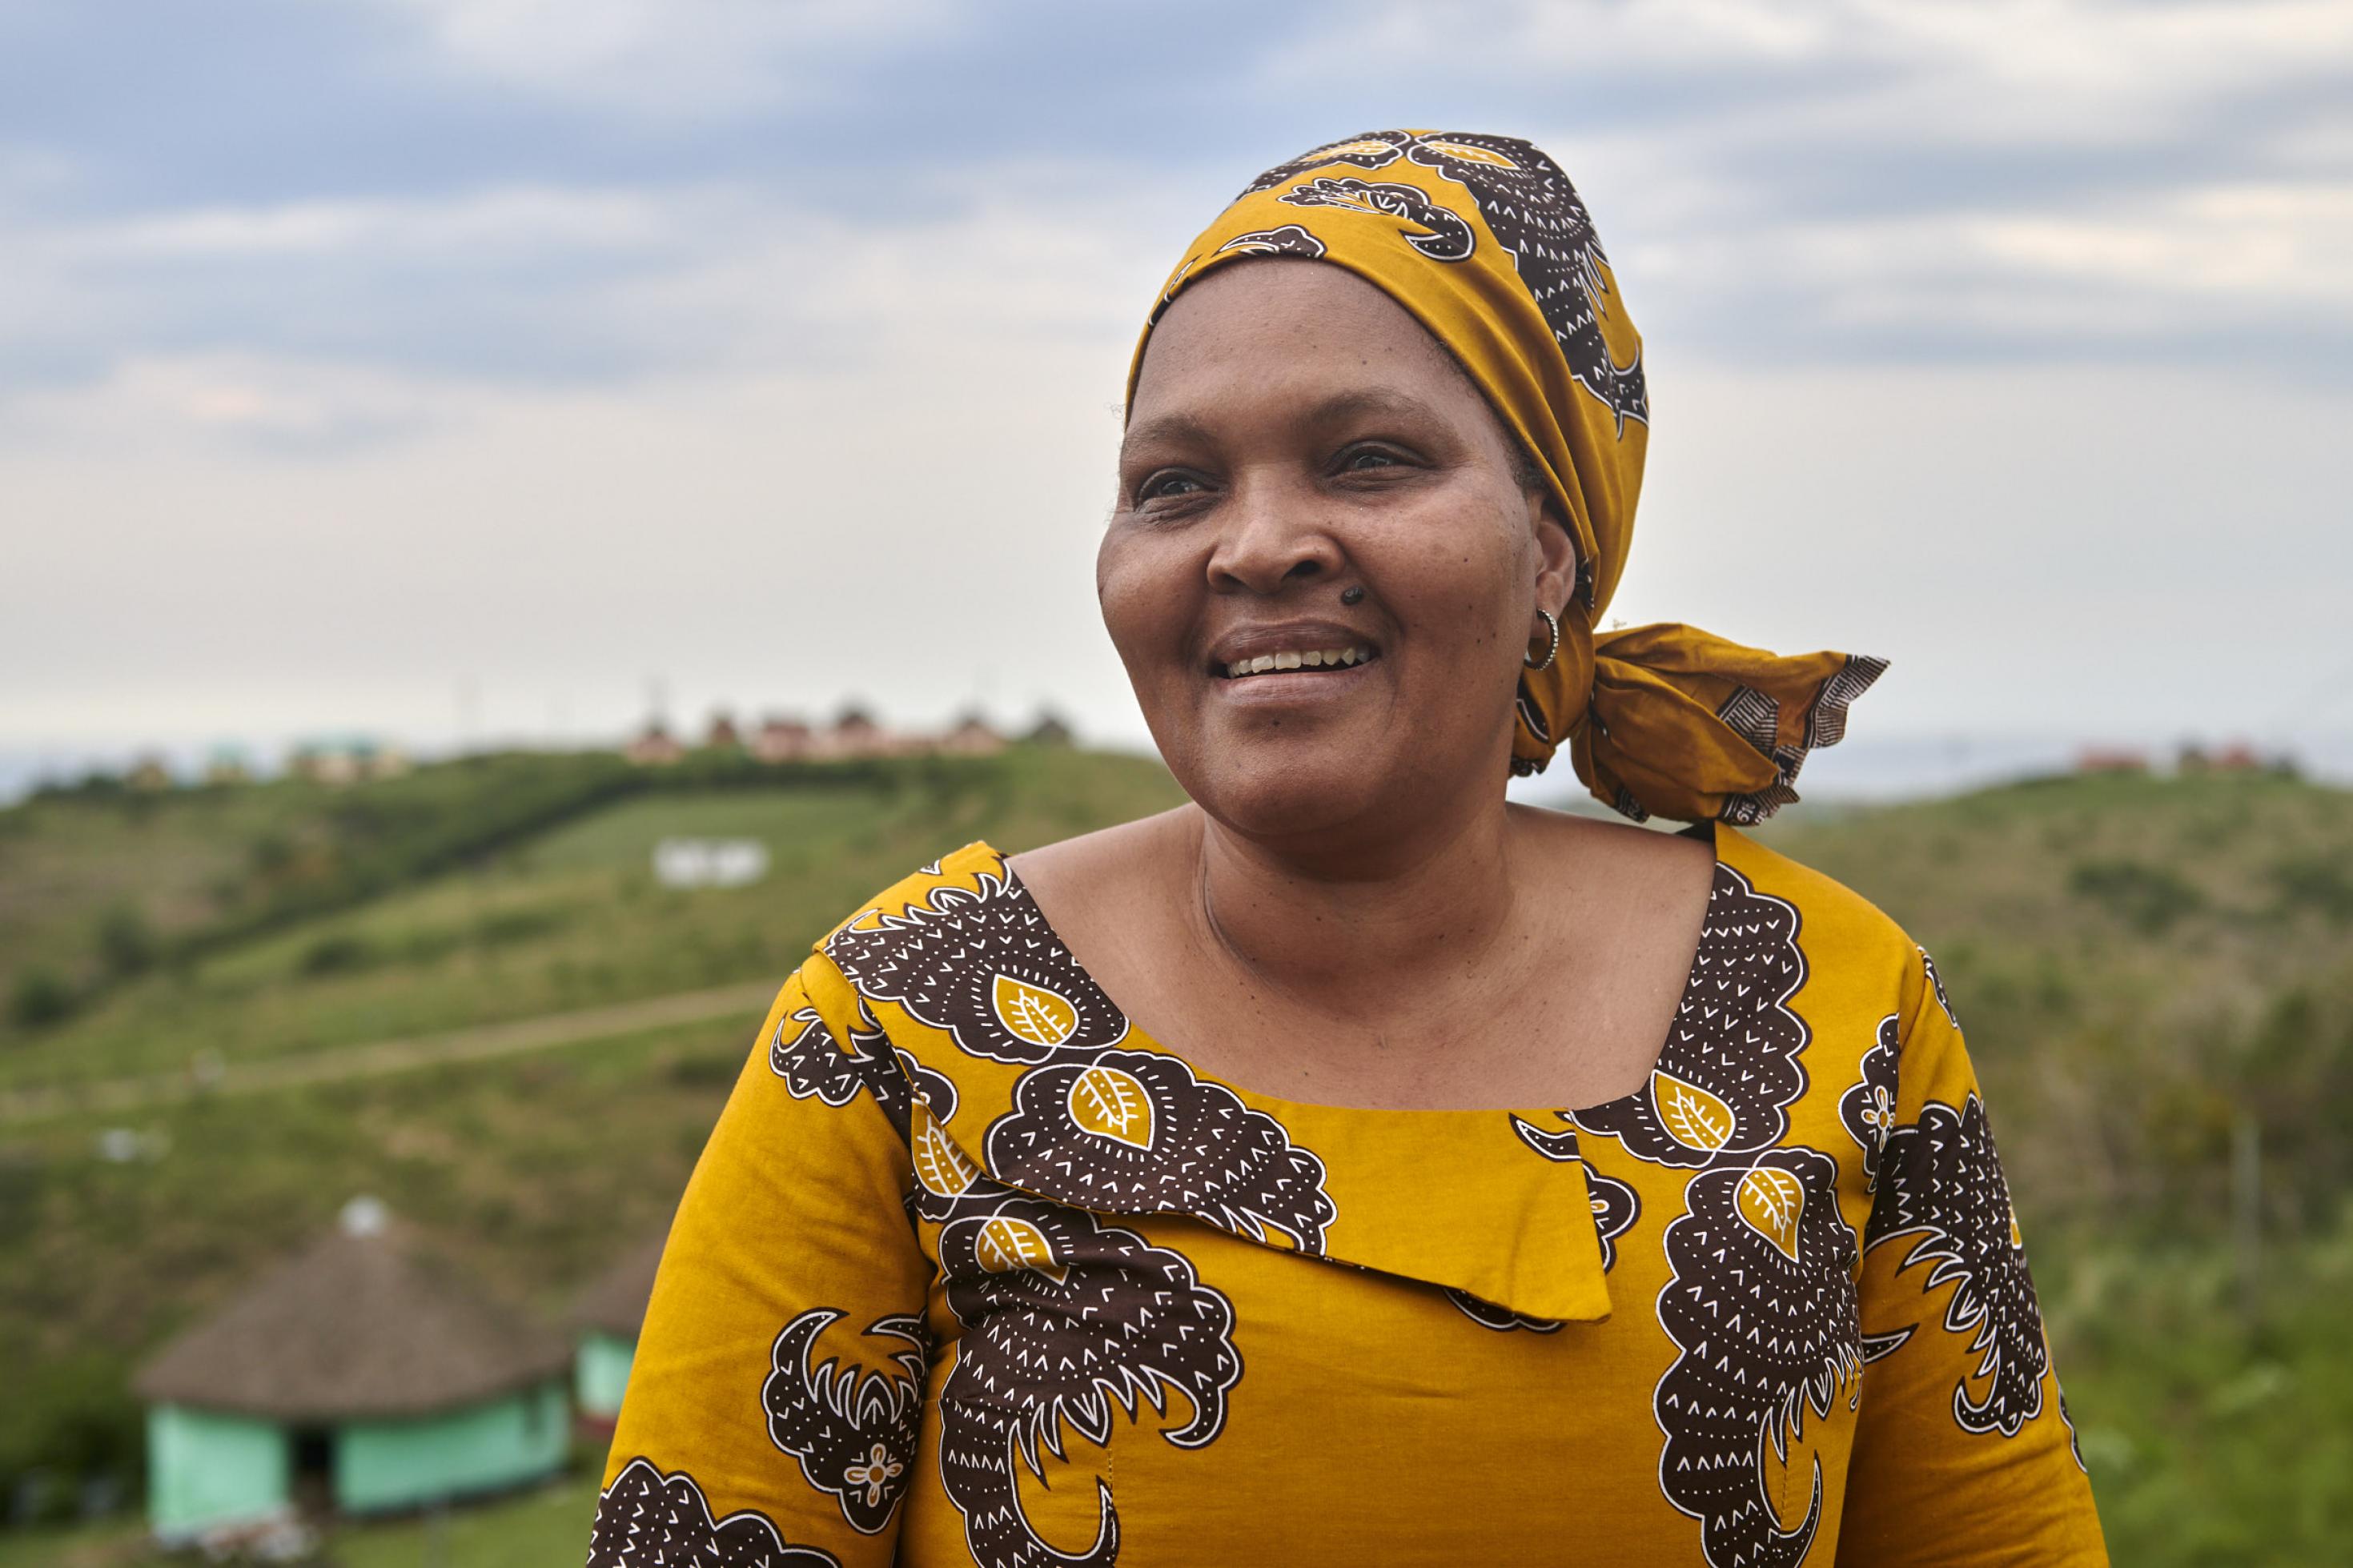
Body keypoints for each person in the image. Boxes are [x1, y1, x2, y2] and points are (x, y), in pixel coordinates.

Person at [584, 130, 2106, 1567]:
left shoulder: (1827, 1004)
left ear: (1549, 558)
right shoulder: (905, 1023)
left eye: (1369, 459)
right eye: (1173, 486)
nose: (1255, 544)